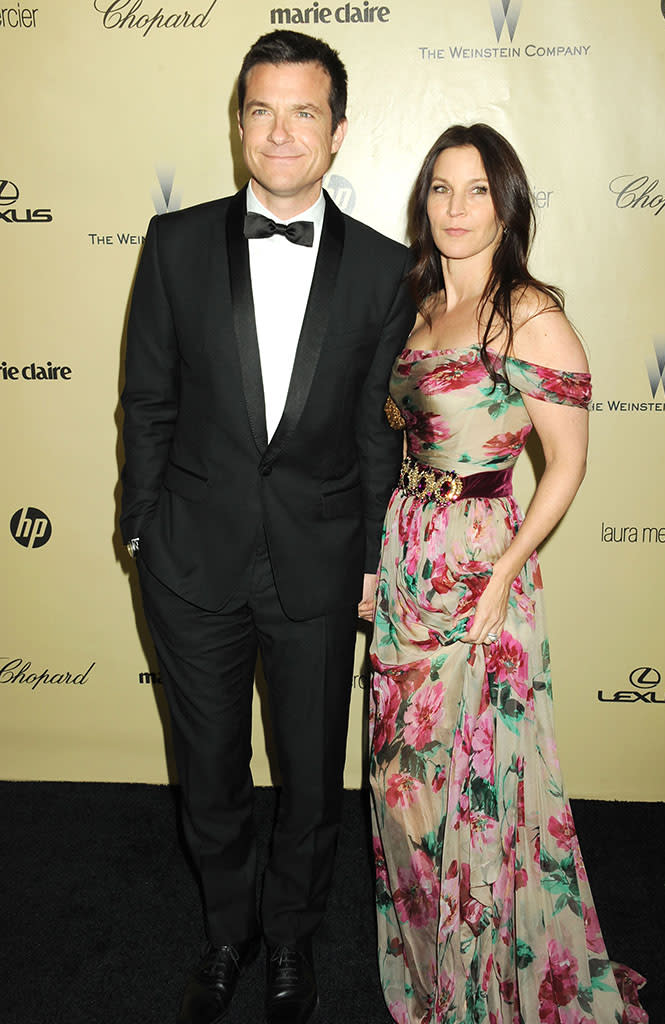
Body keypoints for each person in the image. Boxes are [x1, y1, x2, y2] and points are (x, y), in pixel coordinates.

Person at [120, 29, 414, 1024]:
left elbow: (382, 438)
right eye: (261, 109)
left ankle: (290, 933)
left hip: (321, 567)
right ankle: (224, 931)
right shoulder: (174, 244)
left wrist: (373, 557)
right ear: (239, 121)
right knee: (207, 774)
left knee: (308, 775)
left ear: (336, 133)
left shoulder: (386, 270)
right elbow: (147, 400)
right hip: (190, 561)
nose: (279, 130)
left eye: (303, 112)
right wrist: (139, 533)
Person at [367, 125, 647, 1023]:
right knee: (400, 784)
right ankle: (428, 971)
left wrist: (505, 572)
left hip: (480, 563)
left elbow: (563, 463)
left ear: (506, 204)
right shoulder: (414, 308)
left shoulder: (529, 314)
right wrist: (379, 564)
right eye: (441, 189)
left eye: (476, 190)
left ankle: (483, 987)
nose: (455, 207)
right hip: (408, 556)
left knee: (470, 788)